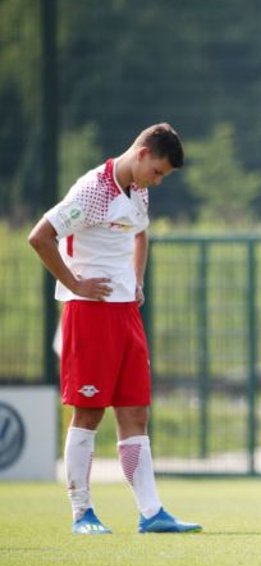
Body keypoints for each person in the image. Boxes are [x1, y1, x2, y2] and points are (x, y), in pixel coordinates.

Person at [27, 123, 201, 535]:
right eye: (157, 171)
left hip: (126, 313)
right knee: (87, 414)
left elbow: (141, 234)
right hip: (89, 314)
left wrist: (136, 279)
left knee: (135, 413)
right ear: (142, 153)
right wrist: (75, 284)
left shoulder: (137, 191)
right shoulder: (92, 189)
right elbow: (40, 237)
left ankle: (152, 513)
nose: (156, 182)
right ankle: (81, 513)